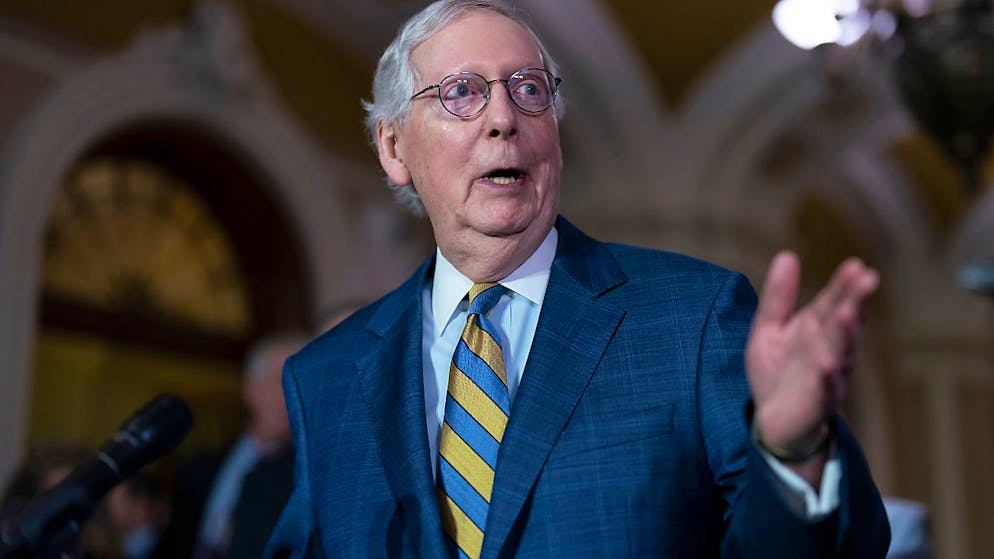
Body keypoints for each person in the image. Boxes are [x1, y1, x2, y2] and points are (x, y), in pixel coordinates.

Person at [266, 1, 891, 557]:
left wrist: (794, 452)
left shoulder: (691, 318)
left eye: (529, 90)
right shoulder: (327, 376)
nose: (504, 119)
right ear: (394, 148)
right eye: (461, 93)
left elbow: (845, 544)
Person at [156, 332, 307, 559]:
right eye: (282, 379)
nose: (293, 393)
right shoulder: (196, 469)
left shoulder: (306, 479)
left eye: (302, 382)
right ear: (250, 390)